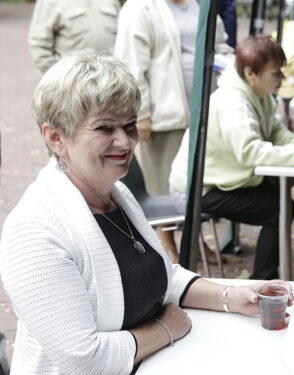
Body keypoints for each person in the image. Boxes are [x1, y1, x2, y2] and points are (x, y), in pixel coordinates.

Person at [0, 55, 294, 374]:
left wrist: (231, 296)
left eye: (129, 125)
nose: (125, 141)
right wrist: (164, 331)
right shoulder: (34, 232)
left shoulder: (115, 192)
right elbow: (80, 360)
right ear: (56, 137)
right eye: (104, 128)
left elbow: (159, 275)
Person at [169, 36, 294, 280]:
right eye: (275, 73)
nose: (282, 78)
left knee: (280, 195)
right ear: (251, 73)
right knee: (278, 209)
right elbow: (249, 151)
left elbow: (276, 130)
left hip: (220, 180)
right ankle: (263, 280)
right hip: (196, 189)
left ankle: (273, 270)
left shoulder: (259, 92)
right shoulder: (232, 101)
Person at [114, 0, 232, 262]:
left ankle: (198, 243)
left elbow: (220, 43)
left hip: (204, 110)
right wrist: (140, 113)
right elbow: (131, 64)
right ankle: (169, 247)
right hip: (164, 114)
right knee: (164, 185)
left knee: (196, 184)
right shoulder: (140, 8)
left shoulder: (199, 5)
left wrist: (227, 61)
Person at [27, 0, 120, 73]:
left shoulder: (112, 1)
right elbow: (38, 42)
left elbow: (122, 37)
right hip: (70, 85)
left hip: (109, 80)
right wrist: (56, 76)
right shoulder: (49, 2)